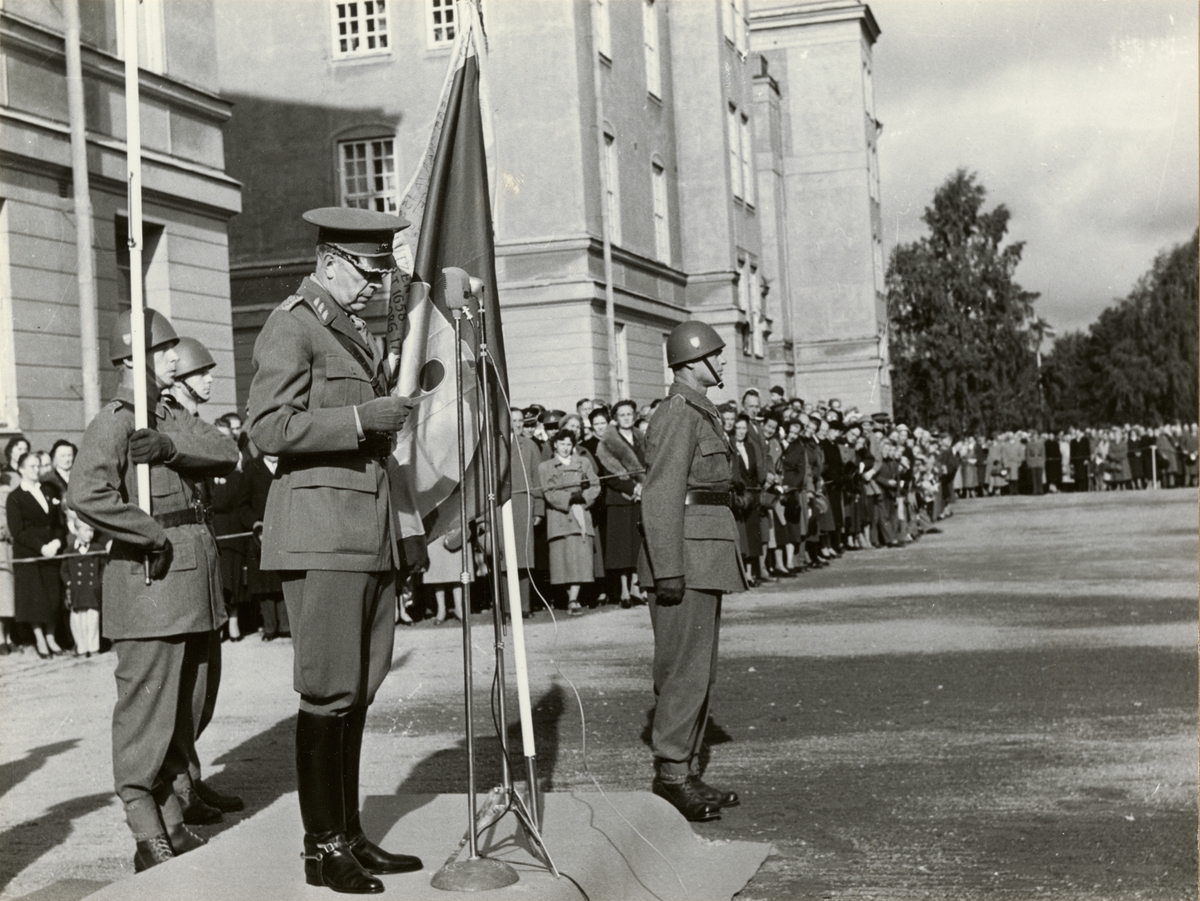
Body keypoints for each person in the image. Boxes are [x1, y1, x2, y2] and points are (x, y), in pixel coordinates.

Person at [246, 207, 422, 893]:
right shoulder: (293, 324)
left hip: (364, 531)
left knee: (356, 691)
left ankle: (347, 832)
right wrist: (357, 419)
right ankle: (321, 848)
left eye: (381, 274)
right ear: (328, 263)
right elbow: (267, 425)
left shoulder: (351, 332)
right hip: (321, 531)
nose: (374, 286)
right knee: (326, 691)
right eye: (365, 272)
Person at [69, 307, 238, 871]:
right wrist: (146, 533)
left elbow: (226, 451)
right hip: (150, 585)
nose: (175, 356)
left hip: (189, 585)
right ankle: (148, 831)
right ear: (132, 358)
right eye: (164, 350)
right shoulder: (115, 421)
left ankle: (170, 815)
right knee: (146, 717)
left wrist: (169, 448)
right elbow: (86, 494)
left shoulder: (164, 416)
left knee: (186, 707)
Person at [637, 320, 746, 822]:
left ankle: (687, 769)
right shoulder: (677, 413)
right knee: (682, 670)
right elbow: (661, 493)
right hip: (684, 557)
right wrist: (668, 569)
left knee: (698, 670)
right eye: (716, 356)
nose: (722, 363)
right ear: (691, 362)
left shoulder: (703, 411)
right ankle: (672, 777)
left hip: (704, 553)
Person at [162, 335, 248, 826]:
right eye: (202, 373)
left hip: (204, 546)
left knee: (204, 681)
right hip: (182, 553)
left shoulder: (189, 422)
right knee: (186, 685)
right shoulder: (169, 417)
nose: (210, 379)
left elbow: (224, 449)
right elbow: (220, 452)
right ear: (178, 380)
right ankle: (180, 786)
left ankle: (189, 775)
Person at [8, 451, 66, 657]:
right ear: (21, 469)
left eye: (38, 466)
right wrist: (42, 547)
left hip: (52, 551)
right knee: (35, 599)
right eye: (31, 466)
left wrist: (57, 541)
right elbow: (18, 531)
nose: (36, 470)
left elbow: (58, 522)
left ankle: (51, 637)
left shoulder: (49, 490)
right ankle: (40, 639)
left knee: (52, 596)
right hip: (30, 554)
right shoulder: (15, 497)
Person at [538, 428, 600, 616]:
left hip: (581, 514)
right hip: (559, 517)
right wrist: (568, 498)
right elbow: (548, 492)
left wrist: (583, 497)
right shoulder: (545, 467)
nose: (565, 448)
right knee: (562, 561)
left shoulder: (583, 462)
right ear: (555, 444)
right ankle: (569, 598)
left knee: (580, 559)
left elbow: (596, 485)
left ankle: (574, 599)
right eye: (562, 443)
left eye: (568, 444)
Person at [597, 399, 646, 607]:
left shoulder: (641, 438)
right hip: (620, 498)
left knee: (637, 544)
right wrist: (632, 488)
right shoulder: (607, 443)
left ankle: (637, 587)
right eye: (622, 415)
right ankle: (625, 591)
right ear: (616, 419)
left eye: (629, 414)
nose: (626, 418)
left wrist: (643, 487)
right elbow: (610, 474)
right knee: (621, 548)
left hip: (641, 497)